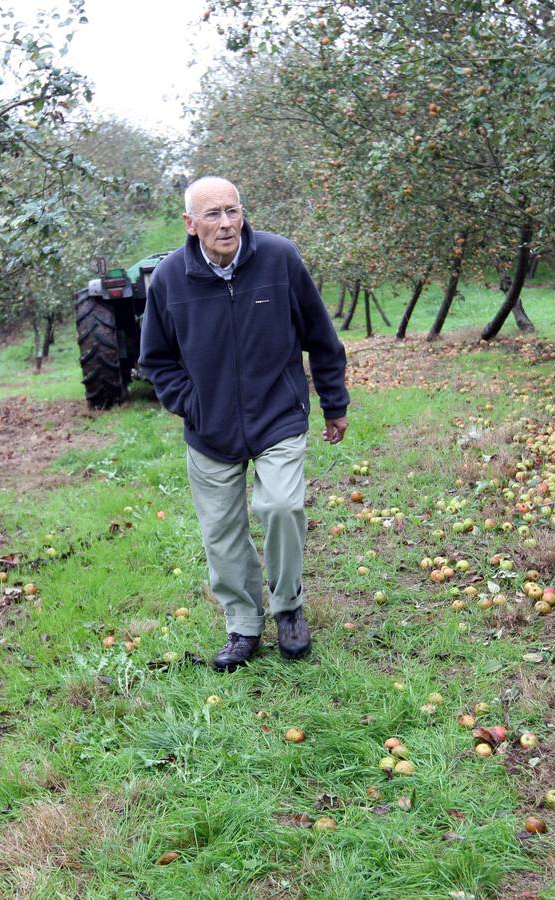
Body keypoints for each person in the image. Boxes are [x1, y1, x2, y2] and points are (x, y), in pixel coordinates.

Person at [139, 177, 349, 671]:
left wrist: (334, 402)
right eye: (212, 215)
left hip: (277, 413)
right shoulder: (169, 278)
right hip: (210, 428)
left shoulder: (279, 259)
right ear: (190, 225)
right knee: (222, 530)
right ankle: (243, 624)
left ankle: (289, 607)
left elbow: (320, 335)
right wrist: (193, 405)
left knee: (280, 505)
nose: (227, 223)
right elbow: (156, 359)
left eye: (233, 211)